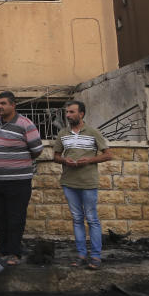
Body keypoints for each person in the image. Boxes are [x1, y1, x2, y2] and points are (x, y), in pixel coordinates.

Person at [53, 100, 113, 270]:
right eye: (67, 112)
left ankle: (95, 256)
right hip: (68, 182)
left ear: (81, 114)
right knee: (77, 219)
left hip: (88, 182)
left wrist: (90, 160)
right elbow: (55, 156)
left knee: (92, 219)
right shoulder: (63, 133)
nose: (68, 115)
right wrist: (64, 160)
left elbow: (108, 155)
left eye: (72, 112)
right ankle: (81, 254)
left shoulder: (93, 132)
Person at [0, 91, 43, 265]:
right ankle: (4, 251)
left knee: (15, 217)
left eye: (3, 103)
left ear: (13, 105)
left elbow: (37, 150)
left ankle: (14, 253)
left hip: (18, 181)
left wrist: (17, 162)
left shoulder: (25, 124)